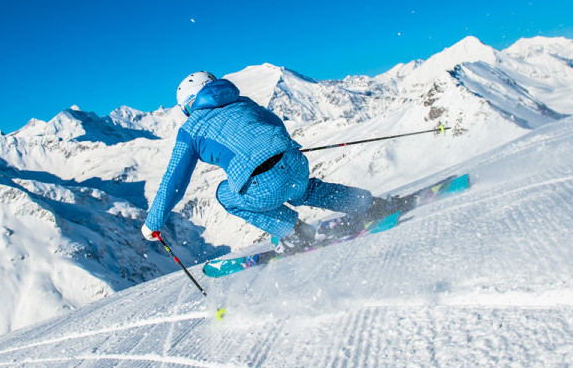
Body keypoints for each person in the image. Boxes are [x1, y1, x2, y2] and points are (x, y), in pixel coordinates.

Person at [142, 71, 389, 251]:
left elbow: (174, 181)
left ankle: (295, 233)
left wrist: (153, 223)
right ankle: (369, 204)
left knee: (224, 194)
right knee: (306, 189)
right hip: (294, 161)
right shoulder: (243, 102)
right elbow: (275, 125)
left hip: (263, 185)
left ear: (189, 104)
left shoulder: (191, 129)